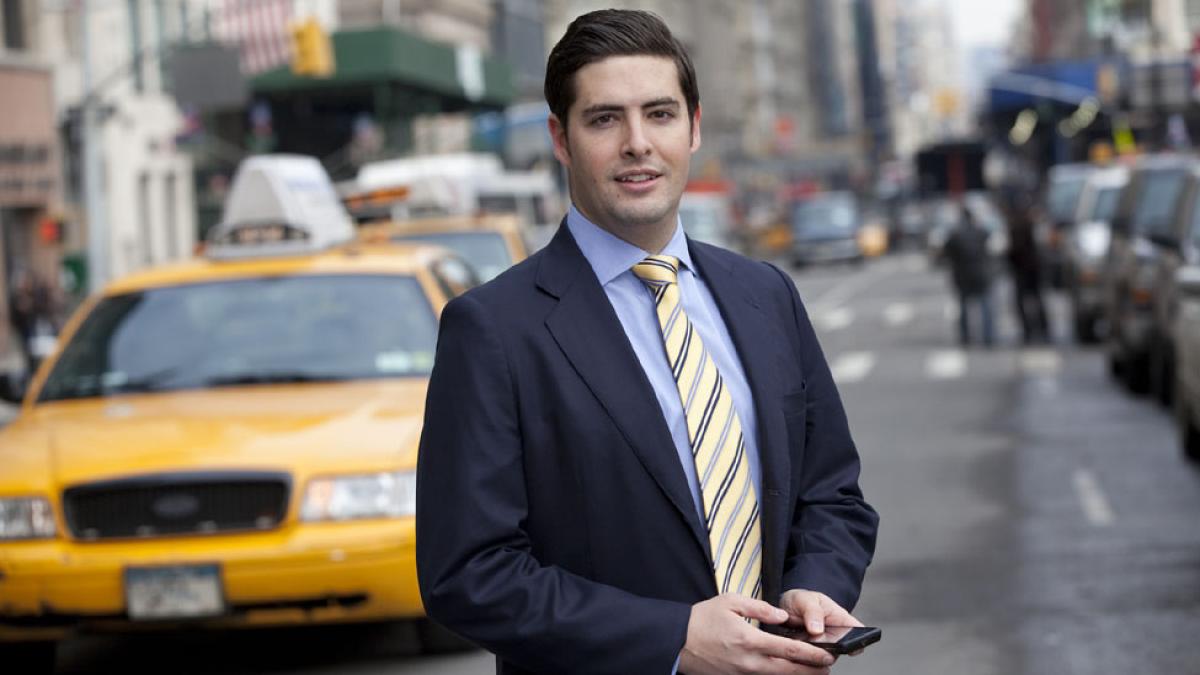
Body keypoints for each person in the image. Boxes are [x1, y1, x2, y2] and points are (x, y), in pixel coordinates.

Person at [415, 10, 878, 675]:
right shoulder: (493, 329)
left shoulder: (764, 294)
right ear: (562, 139)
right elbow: (467, 572)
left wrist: (818, 583)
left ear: (693, 127)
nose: (638, 143)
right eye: (605, 119)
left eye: (659, 114)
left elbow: (831, 491)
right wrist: (671, 637)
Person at [941, 204, 995, 346]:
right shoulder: (981, 231)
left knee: (964, 307)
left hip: (963, 275)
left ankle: (966, 338)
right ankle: (988, 337)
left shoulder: (955, 235)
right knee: (985, 306)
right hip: (981, 273)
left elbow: (946, 253)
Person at [1005, 195, 1050, 344]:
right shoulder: (1028, 224)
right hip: (1030, 267)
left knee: (1027, 300)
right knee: (1035, 299)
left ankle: (1032, 330)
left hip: (1025, 269)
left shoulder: (1019, 225)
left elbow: (1016, 249)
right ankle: (1040, 329)